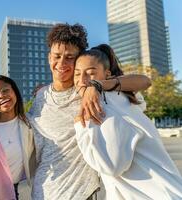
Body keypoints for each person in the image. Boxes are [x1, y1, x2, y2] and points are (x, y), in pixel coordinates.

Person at [27, 23, 152, 199]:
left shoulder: (89, 90)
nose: (61, 63)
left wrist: (98, 85)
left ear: (79, 60)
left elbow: (144, 81)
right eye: (57, 56)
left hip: (81, 192)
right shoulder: (40, 97)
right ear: (49, 58)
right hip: (42, 191)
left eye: (70, 57)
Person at [73, 44, 182, 199]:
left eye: (91, 73)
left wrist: (80, 127)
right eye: (77, 74)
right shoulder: (123, 98)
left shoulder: (104, 104)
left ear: (107, 74)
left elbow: (112, 166)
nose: (82, 80)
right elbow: (142, 82)